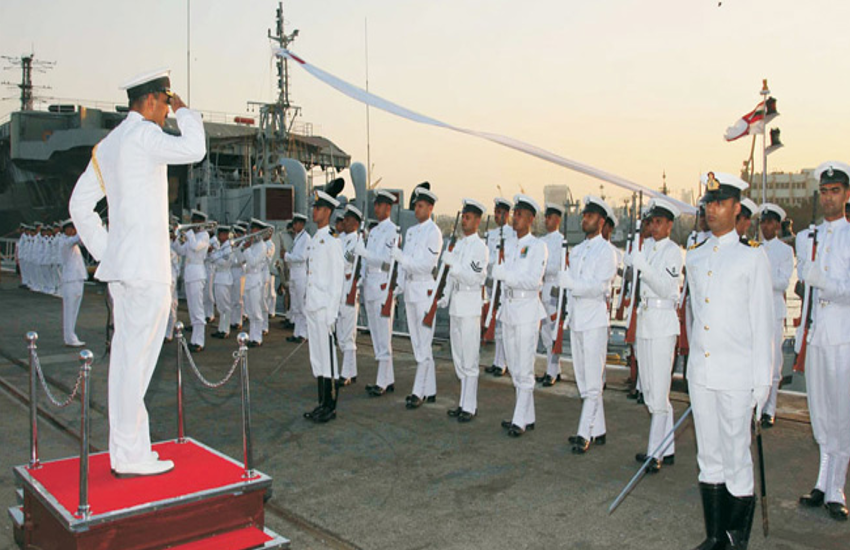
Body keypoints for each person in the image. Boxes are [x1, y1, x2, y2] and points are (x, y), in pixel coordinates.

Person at [69, 68, 205, 476]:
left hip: (123, 272)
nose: (167, 111)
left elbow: (78, 206)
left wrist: (108, 251)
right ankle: (130, 455)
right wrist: (186, 112)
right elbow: (195, 149)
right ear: (150, 100)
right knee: (137, 364)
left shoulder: (109, 145)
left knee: (126, 363)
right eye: (166, 102)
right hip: (146, 270)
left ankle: (128, 450)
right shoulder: (144, 135)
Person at [686, 171, 774, 548]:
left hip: (737, 375)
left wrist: (762, 382)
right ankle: (714, 536)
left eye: (720, 203)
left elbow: (763, 324)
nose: (712, 210)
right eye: (709, 203)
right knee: (709, 456)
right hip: (702, 373)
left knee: (737, 458)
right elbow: (695, 316)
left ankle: (736, 540)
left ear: (737, 208)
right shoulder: (695, 256)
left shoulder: (751, 257)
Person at [797, 161, 850, 521]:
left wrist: (823, 282)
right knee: (819, 410)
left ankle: (836, 488)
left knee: (841, 412)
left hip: (842, 333)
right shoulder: (808, 237)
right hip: (816, 332)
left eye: (835, 191)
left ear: (846, 195)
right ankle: (821, 480)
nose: (829, 198)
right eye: (825, 192)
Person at [624, 198, 683, 472]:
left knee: (658, 393)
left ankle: (654, 453)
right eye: (652, 222)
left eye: (659, 222)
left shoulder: (673, 252)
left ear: (669, 225)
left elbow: (666, 288)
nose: (654, 227)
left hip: (662, 323)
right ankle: (667, 447)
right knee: (650, 389)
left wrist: (643, 268)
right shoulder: (646, 247)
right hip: (646, 321)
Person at [560, 195, 618, 453]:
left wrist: (572, 284)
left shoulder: (607, 252)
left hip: (594, 319)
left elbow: (598, 288)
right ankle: (599, 429)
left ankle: (584, 433)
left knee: (593, 380)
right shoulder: (578, 251)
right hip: (578, 319)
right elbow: (572, 289)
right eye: (584, 215)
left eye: (590, 216)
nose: (585, 219)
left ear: (601, 221)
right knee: (583, 378)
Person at [492, 194, 547, 437]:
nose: (515, 219)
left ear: (531, 219)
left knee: (524, 368)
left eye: (520, 215)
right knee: (514, 367)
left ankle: (519, 420)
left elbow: (533, 280)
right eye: (515, 214)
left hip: (527, 310)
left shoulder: (537, 246)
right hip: (510, 309)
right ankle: (528, 415)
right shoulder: (511, 245)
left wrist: (506, 275)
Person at [393, 182, 443, 409]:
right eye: (416, 206)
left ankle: (418, 392)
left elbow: (426, 265)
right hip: (411, 289)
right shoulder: (411, 232)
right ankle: (430, 389)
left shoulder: (434, 233)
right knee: (418, 343)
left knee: (423, 343)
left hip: (424, 290)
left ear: (430, 208)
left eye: (421, 206)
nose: (417, 209)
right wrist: (398, 286)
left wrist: (402, 259)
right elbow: (404, 265)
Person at [439, 198, 488, 422]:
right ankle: (462, 402)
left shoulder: (480, 248)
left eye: (467, 218)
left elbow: (473, 278)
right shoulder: (459, 245)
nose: (464, 221)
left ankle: (470, 406)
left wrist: (454, 265)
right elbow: (451, 276)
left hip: (469, 305)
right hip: (457, 305)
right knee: (458, 357)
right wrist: (445, 295)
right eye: (463, 217)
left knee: (470, 358)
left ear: (477, 221)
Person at [302, 180, 345, 423]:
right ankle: (321, 403)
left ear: (327, 212)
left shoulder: (332, 240)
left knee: (328, 359)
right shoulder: (315, 239)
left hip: (324, 310)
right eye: (314, 207)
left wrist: (331, 314)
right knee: (317, 358)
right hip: (313, 306)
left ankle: (330, 406)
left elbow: (336, 280)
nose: (314, 211)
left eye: (318, 208)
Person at [355, 190, 399, 397]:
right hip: (370, 285)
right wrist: (361, 278)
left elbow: (387, 261)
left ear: (388, 208)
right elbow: (365, 261)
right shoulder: (373, 232)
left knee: (383, 336)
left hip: (382, 284)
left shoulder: (392, 232)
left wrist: (365, 253)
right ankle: (388, 379)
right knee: (375, 334)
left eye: (379, 205)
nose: (376, 208)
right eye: (375, 205)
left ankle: (382, 382)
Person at [757, 203, 794, 428]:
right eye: (763, 222)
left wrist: (761, 279)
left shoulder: (785, 251)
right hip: (755, 310)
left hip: (774, 310)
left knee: (774, 361)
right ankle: (757, 406)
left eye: (769, 222)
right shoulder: (753, 248)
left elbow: (782, 282)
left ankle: (770, 408)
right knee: (756, 358)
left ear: (778, 226)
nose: (765, 227)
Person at [484, 197, 517, 377]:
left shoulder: (513, 234)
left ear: (507, 214)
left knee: (504, 322)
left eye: (500, 213)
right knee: (496, 321)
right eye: (496, 212)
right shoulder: (491, 234)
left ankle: (504, 362)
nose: (497, 216)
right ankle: (497, 361)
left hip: (505, 283)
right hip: (492, 282)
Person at [537, 203, 565, 387]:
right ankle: (553, 369)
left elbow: (557, 266)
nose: (546, 220)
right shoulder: (541, 241)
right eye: (546, 217)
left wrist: (542, 267)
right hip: (543, 288)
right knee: (545, 333)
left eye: (549, 217)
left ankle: (552, 372)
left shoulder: (561, 241)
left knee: (553, 333)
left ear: (557, 220)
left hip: (554, 289)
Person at [175, 210, 211, 352]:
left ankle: (199, 341)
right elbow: (181, 251)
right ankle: (194, 340)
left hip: (197, 273)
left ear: (200, 223)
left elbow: (195, 247)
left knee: (198, 309)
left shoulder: (204, 236)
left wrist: (189, 234)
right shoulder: (193, 236)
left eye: (195, 221)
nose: (192, 224)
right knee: (192, 309)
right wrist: (175, 239)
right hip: (190, 274)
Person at [336, 203, 363, 387]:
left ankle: (345, 373)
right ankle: (352, 372)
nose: (343, 222)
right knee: (341, 335)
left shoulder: (356, 241)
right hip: (339, 290)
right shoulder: (341, 239)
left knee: (347, 335)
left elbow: (344, 262)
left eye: (347, 220)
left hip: (349, 290)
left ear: (355, 223)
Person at [59, 219, 88, 347]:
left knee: (74, 311)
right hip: (70, 281)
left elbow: (82, 241)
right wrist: (84, 224)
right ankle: (69, 338)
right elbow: (77, 238)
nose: (74, 231)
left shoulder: (72, 242)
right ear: (67, 229)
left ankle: (71, 336)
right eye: (72, 228)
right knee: (69, 311)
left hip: (77, 278)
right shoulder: (64, 241)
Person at [242, 219, 270, 347]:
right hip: (249, 279)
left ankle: (257, 338)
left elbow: (253, 262)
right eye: (252, 229)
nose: (252, 232)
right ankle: (252, 336)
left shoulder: (262, 246)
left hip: (256, 280)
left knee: (256, 311)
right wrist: (240, 248)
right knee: (250, 311)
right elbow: (242, 261)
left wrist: (246, 249)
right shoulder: (252, 245)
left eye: (255, 229)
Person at [283, 213, 310, 343]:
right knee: (295, 306)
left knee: (301, 305)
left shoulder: (306, 238)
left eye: (296, 223)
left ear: (301, 224)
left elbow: (302, 257)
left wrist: (286, 256)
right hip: (294, 273)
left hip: (300, 274)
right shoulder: (297, 237)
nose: (294, 226)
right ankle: (297, 332)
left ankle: (303, 334)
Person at [210, 225, 234, 339]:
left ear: (225, 235)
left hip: (224, 278)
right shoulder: (222, 247)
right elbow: (216, 259)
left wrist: (214, 255)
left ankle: (226, 329)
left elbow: (224, 263)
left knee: (225, 306)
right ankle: (221, 328)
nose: (219, 237)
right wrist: (215, 256)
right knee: (220, 306)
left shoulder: (228, 248)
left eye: (220, 234)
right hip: (219, 278)